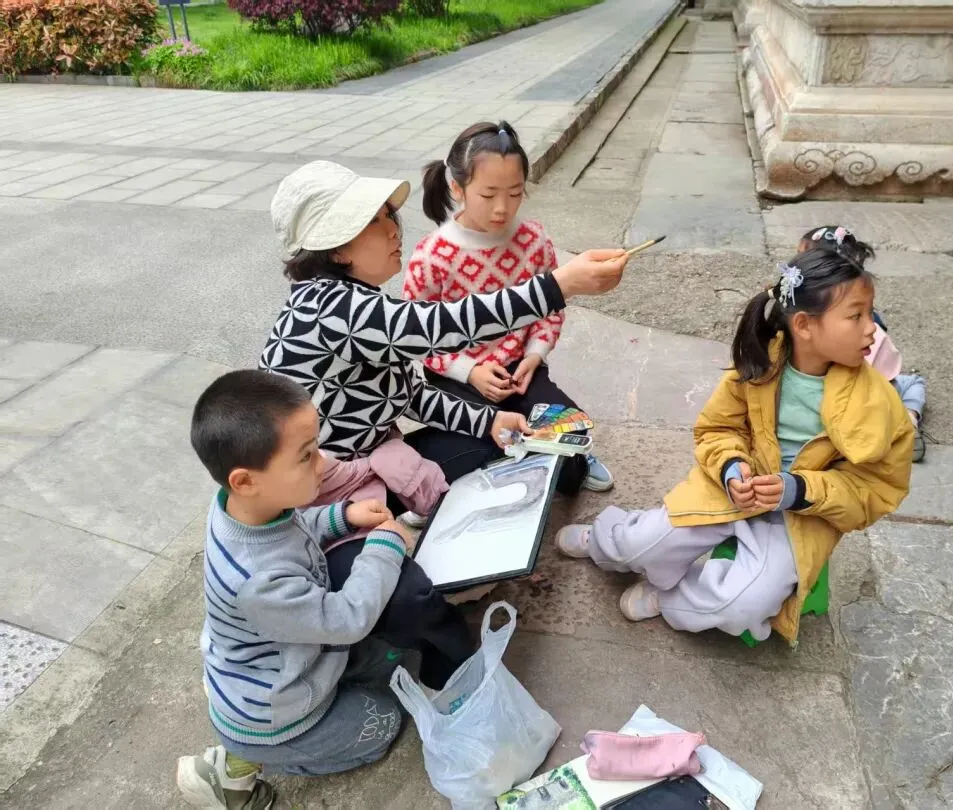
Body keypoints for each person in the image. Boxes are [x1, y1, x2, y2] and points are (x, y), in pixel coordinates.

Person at [554, 250, 914, 646]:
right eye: (856, 316)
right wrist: (731, 467)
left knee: (744, 604)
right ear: (804, 325)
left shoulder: (879, 404)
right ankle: (605, 542)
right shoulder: (760, 363)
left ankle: (671, 599)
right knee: (644, 543)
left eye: (870, 314)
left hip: (803, 517)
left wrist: (800, 490)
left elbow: (878, 490)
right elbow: (717, 428)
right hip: (734, 489)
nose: (872, 330)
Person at [259, 160, 628, 505]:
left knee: (502, 438)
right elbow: (448, 324)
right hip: (320, 491)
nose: (393, 229)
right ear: (336, 251)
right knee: (496, 452)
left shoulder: (344, 299)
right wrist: (560, 285)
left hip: (367, 457)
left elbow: (407, 394)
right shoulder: (332, 308)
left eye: (389, 215)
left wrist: (489, 421)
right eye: (374, 221)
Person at [177, 370, 438, 809]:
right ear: (246, 480)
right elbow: (347, 619)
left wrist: (342, 517)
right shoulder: (256, 582)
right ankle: (238, 766)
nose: (324, 463)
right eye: (306, 456)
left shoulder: (246, 508)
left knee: (398, 660)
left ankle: (256, 742)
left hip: (295, 661)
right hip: (276, 711)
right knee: (384, 722)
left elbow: (295, 529)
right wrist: (385, 546)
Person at [403, 120, 612, 495]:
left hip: (522, 369)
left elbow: (551, 309)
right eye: (488, 195)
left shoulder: (534, 239)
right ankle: (457, 467)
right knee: (489, 438)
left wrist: (535, 355)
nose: (502, 208)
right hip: (457, 378)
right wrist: (471, 371)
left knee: (570, 451)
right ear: (457, 187)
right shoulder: (432, 255)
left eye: (515, 193)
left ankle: (557, 457)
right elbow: (415, 335)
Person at [798, 226, 928, 461]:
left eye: (802, 258)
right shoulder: (866, 313)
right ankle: (907, 416)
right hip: (876, 390)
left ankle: (900, 422)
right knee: (912, 384)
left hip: (864, 391)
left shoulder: (809, 319)